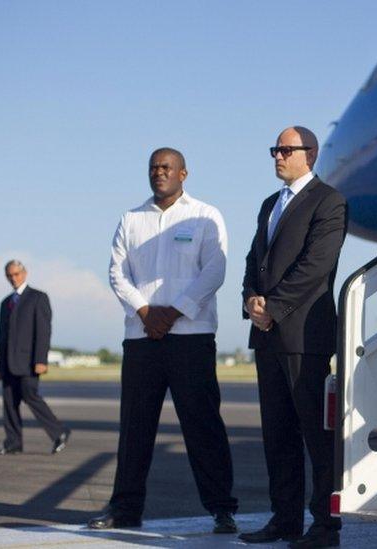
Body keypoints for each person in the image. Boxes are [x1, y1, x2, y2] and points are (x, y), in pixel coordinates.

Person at [90, 147, 238, 534]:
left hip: (192, 336)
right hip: (141, 339)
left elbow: (215, 269)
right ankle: (125, 508)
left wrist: (172, 312)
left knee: (203, 425)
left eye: (167, 167)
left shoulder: (206, 215)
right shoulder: (130, 218)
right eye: (154, 167)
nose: (159, 172)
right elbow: (116, 272)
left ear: (183, 174)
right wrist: (145, 312)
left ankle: (222, 509)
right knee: (135, 427)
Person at [238, 127, 346, 548]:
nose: (277, 157)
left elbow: (316, 265)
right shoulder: (270, 204)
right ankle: (284, 520)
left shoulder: (329, 201)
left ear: (310, 154)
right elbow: (254, 260)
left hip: (305, 336)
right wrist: (251, 300)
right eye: (275, 150)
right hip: (266, 336)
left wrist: (274, 308)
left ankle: (324, 526)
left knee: (316, 437)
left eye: (286, 150)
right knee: (277, 434)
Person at [0, 260, 70, 455]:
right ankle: (13, 442)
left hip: (28, 362)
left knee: (30, 396)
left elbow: (43, 331)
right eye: (10, 275)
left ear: (25, 273)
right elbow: (2, 336)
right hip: (7, 363)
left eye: (17, 274)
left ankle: (59, 432)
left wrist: (41, 360)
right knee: (9, 403)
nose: (13, 278)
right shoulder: (5, 303)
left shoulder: (38, 298)